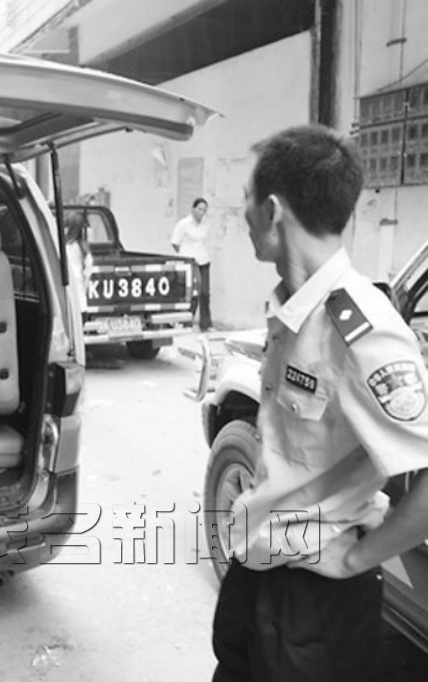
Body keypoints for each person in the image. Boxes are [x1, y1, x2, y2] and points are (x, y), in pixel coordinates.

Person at [211, 124, 428, 681]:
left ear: (273, 211)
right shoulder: (294, 311)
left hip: (316, 603)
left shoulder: (362, 332)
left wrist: (357, 558)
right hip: (258, 564)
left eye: (247, 201)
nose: (243, 215)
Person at [171, 197, 212, 330]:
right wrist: (185, 254)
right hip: (190, 262)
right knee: (193, 293)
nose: (201, 213)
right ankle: (187, 322)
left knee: (205, 293)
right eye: (199, 209)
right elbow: (175, 242)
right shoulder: (183, 224)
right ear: (193, 209)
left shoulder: (205, 224)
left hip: (203, 260)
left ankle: (205, 323)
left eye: (204, 210)